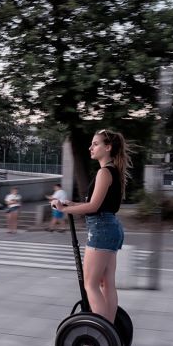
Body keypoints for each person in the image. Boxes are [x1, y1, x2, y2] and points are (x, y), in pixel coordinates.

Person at [51, 129, 129, 324]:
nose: (90, 147)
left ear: (108, 147)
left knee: (91, 284)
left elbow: (93, 207)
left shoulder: (104, 172)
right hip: (110, 228)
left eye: (95, 144)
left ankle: (102, 334)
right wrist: (70, 204)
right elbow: (97, 205)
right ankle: (109, 332)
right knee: (107, 284)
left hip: (101, 229)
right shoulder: (113, 171)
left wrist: (63, 210)